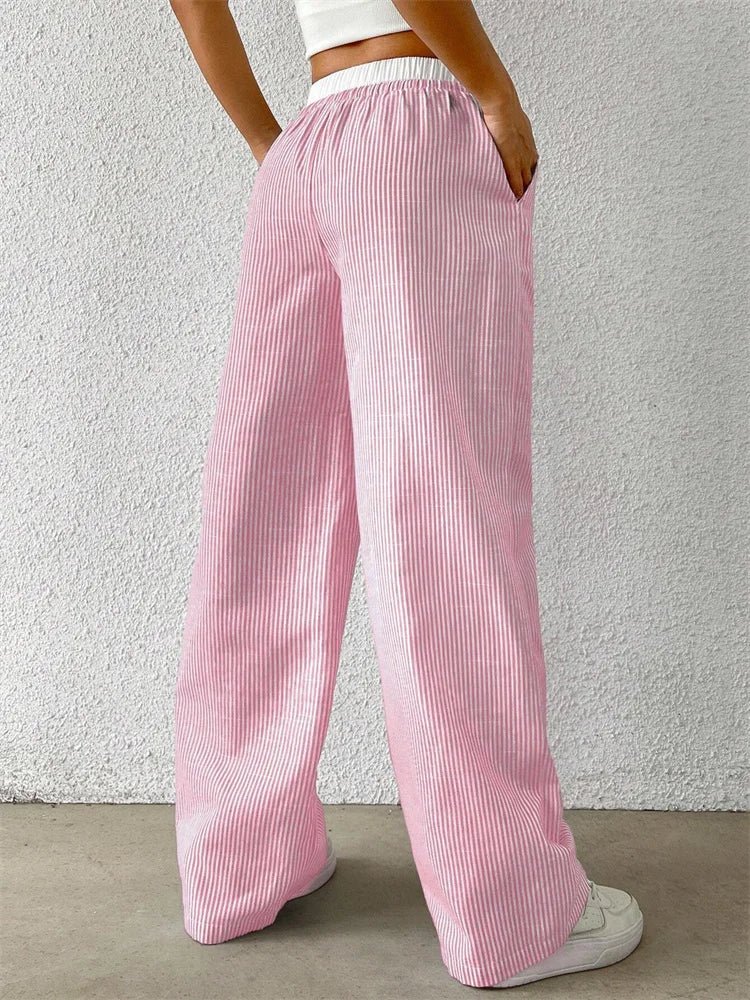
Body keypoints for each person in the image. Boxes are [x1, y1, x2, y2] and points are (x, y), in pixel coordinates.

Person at [168, 0, 643, 989]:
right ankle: (511, 913)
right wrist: (493, 91)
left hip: (309, 149)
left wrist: (271, 146)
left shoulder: (297, 152)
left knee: (268, 519)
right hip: (414, 124)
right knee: (447, 519)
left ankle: (240, 864)